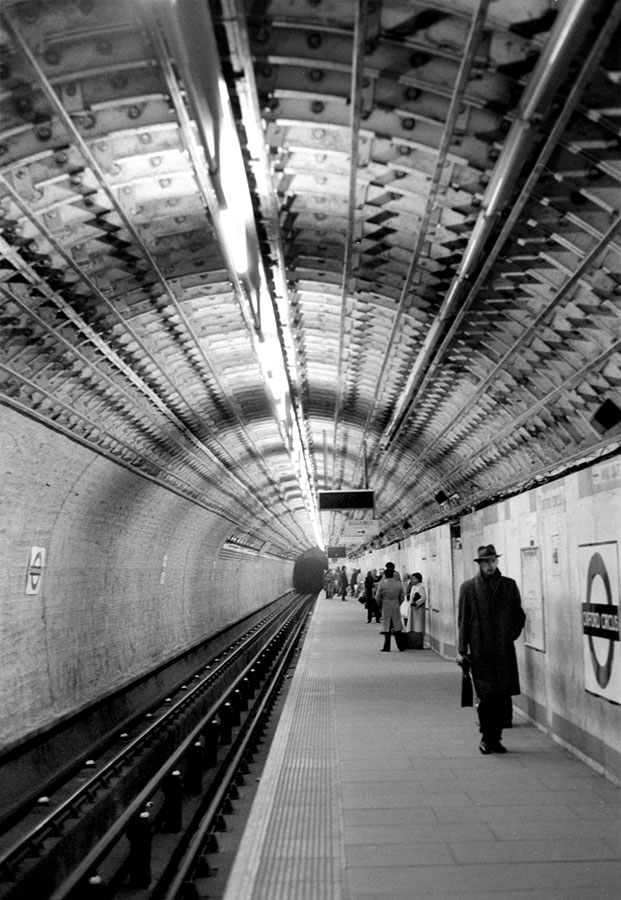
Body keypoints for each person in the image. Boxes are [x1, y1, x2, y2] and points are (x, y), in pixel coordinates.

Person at [456, 544, 526, 755]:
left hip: (504, 651)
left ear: (497, 562)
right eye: (486, 562)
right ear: (480, 564)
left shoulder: (509, 586)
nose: (490, 565)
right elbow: (463, 621)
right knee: (487, 696)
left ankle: (496, 738)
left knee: (502, 695)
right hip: (480, 651)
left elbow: (519, 615)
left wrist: (510, 633)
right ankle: (487, 738)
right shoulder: (468, 588)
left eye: (493, 561)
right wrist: (461, 649)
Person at [376, 562, 405, 652]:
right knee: (397, 626)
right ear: (393, 574)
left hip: (386, 605)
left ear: (385, 575)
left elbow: (377, 597)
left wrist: (381, 605)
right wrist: (398, 603)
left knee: (386, 626)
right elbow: (402, 597)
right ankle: (400, 646)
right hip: (395, 605)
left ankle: (386, 647)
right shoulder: (398, 584)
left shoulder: (382, 585)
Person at [408, 572, 427, 649]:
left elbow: (423, 598)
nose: (413, 580)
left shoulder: (421, 587)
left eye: (415, 578)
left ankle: (419, 644)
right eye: (412, 578)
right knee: (413, 627)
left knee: (419, 627)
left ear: (419, 579)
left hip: (418, 610)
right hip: (413, 609)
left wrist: (416, 603)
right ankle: (414, 643)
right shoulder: (413, 587)